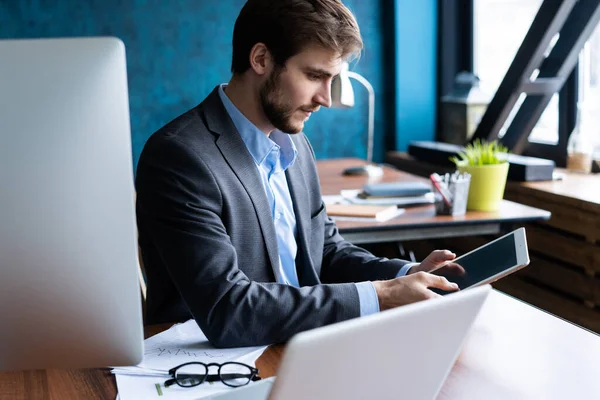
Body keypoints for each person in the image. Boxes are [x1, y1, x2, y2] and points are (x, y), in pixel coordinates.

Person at [136, 0, 459, 348]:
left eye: (332, 79)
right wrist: (382, 295)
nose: (325, 98)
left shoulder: (296, 145)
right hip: (211, 363)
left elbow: (326, 252)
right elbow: (227, 309)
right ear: (260, 59)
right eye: (315, 75)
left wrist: (404, 274)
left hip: (300, 343)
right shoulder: (180, 156)